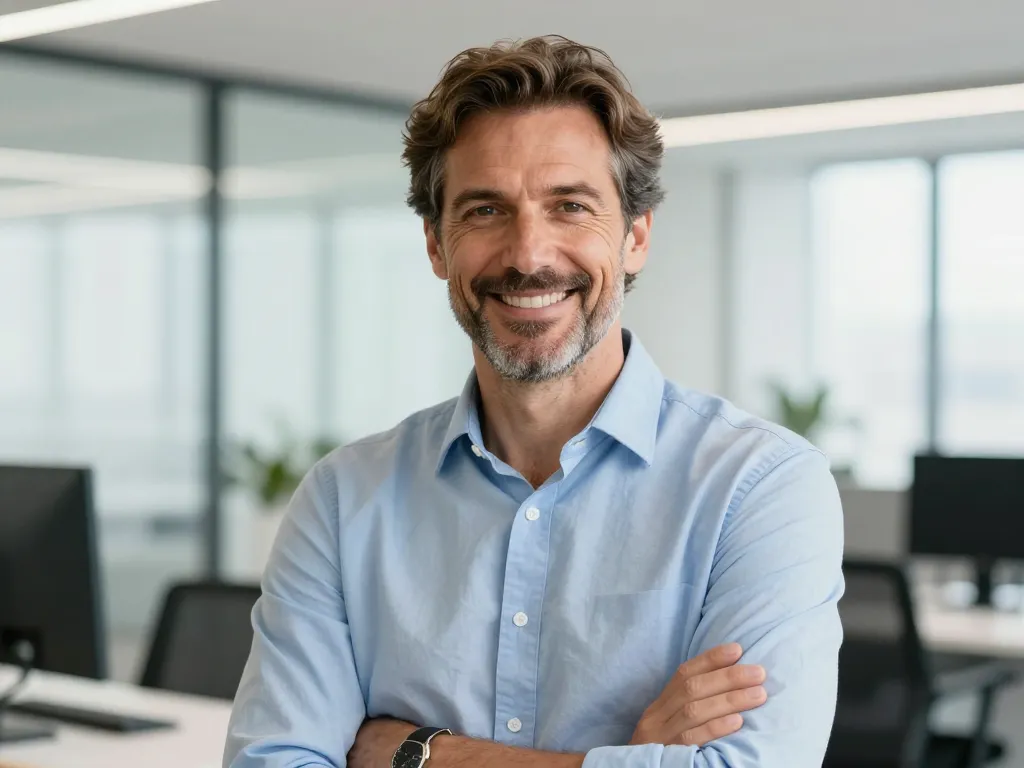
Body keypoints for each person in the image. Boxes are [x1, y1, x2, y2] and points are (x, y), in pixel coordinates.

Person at [223, 35, 844, 768]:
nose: (528, 254)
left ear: (636, 236)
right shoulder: (343, 500)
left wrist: (422, 753)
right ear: (435, 244)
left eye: (570, 206)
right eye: (485, 210)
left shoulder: (760, 488)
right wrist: (629, 758)